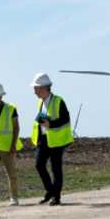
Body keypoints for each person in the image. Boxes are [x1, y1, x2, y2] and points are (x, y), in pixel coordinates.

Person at [30, 72, 74, 205]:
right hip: (43, 140)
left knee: (56, 169)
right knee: (39, 165)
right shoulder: (40, 102)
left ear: (43, 88)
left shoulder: (59, 101)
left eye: (35, 88)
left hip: (56, 141)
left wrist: (51, 124)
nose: (34, 91)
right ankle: (50, 191)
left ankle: (56, 197)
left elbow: (65, 120)